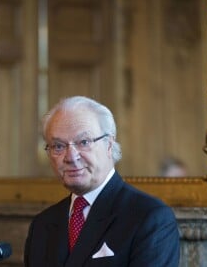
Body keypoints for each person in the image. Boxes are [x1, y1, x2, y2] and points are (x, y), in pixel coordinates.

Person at [24, 96, 180, 267]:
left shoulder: (150, 218)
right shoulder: (42, 224)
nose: (70, 157)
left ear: (109, 145)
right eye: (59, 146)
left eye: (83, 142)